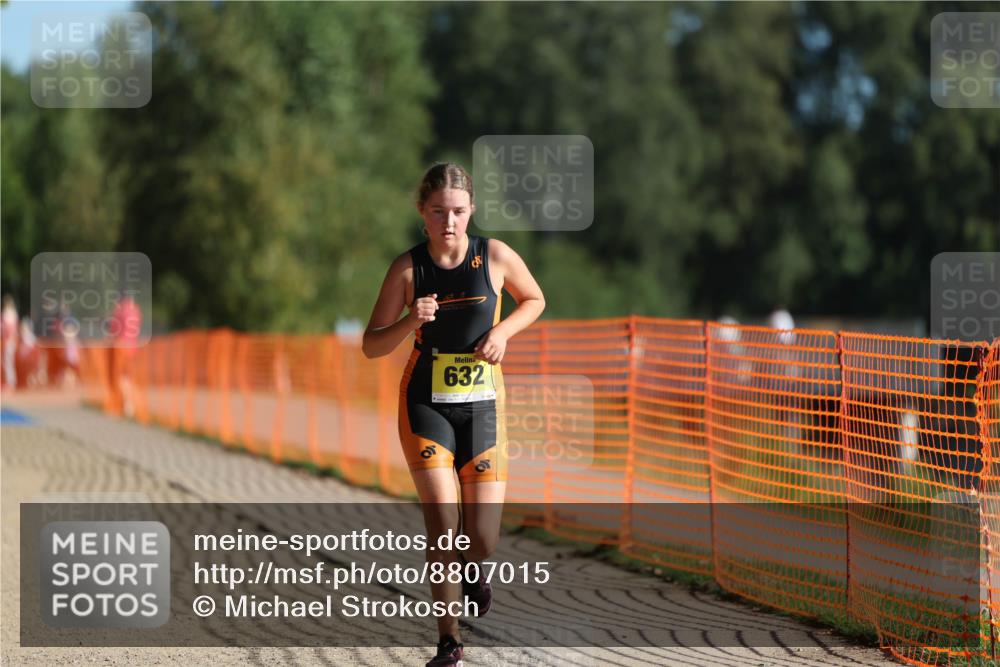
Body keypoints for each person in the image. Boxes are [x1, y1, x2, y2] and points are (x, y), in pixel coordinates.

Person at [363, 162, 545, 667]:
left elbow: (534, 299)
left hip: (483, 406)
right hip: (425, 404)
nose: (449, 222)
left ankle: (473, 566)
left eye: (459, 212)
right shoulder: (407, 269)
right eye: (439, 211)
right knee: (442, 524)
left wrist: (502, 332)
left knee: (481, 539)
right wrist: (409, 321)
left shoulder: (496, 256)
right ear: (422, 212)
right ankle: (449, 640)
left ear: (472, 212)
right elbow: (371, 345)